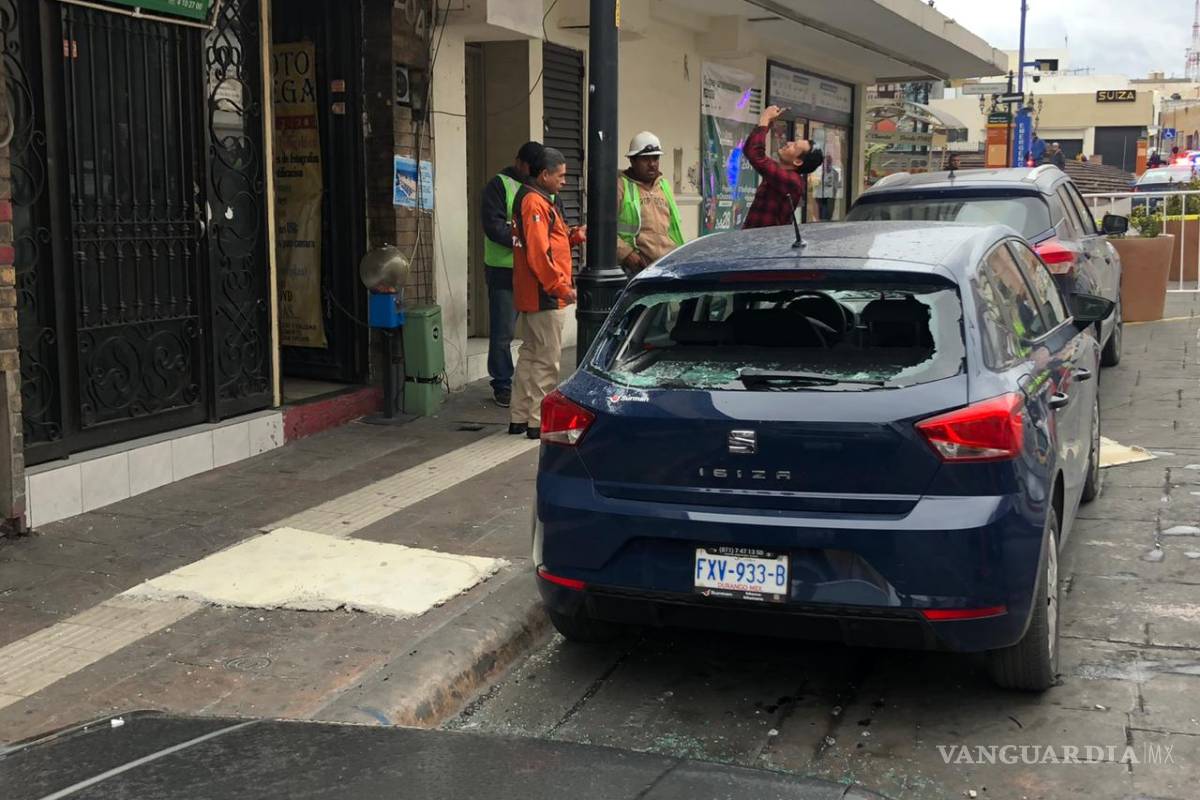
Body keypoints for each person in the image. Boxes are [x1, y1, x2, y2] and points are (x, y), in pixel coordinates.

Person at [509, 148, 586, 439]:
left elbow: (543, 244)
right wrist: (561, 287)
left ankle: (520, 417)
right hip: (544, 295)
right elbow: (540, 255)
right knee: (545, 361)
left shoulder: (534, 200)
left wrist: (572, 236)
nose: (564, 181)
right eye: (561, 175)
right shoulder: (535, 203)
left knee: (530, 356)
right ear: (544, 175)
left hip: (532, 294)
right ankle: (536, 422)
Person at [479, 141, 544, 408]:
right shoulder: (499, 185)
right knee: (503, 330)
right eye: (531, 167)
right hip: (504, 270)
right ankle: (502, 383)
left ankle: (527, 382)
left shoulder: (539, 187)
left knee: (536, 332)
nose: (534, 172)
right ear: (520, 162)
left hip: (532, 270)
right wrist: (528, 238)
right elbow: (494, 228)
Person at [742, 105, 823, 229]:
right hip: (753, 241)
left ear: (797, 161)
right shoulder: (781, 173)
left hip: (764, 244)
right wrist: (768, 122)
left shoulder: (792, 181)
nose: (789, 143)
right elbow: (750, 150)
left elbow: (755, 154)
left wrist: (765, 118)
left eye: (794, 146)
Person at [617, 131, 685, 276]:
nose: (652, 164)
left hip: (667, 265)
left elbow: (672, 228)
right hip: (636, 268)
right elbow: (604, 229)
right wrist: (626, 254)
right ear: (632, 161)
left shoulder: (664, 186)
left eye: (655, 158)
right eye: (645, 159)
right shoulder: (620, 186)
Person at [814, 155, 842, 220]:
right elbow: (814, 183)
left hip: (828, 198)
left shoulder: (834, 173)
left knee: (826, 215)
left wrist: (833, 196)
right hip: (819, 197)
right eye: (826, 162)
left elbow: (836, 186)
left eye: (829, 162)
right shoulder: (818, 171)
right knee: (820, 215)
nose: (827, 164)